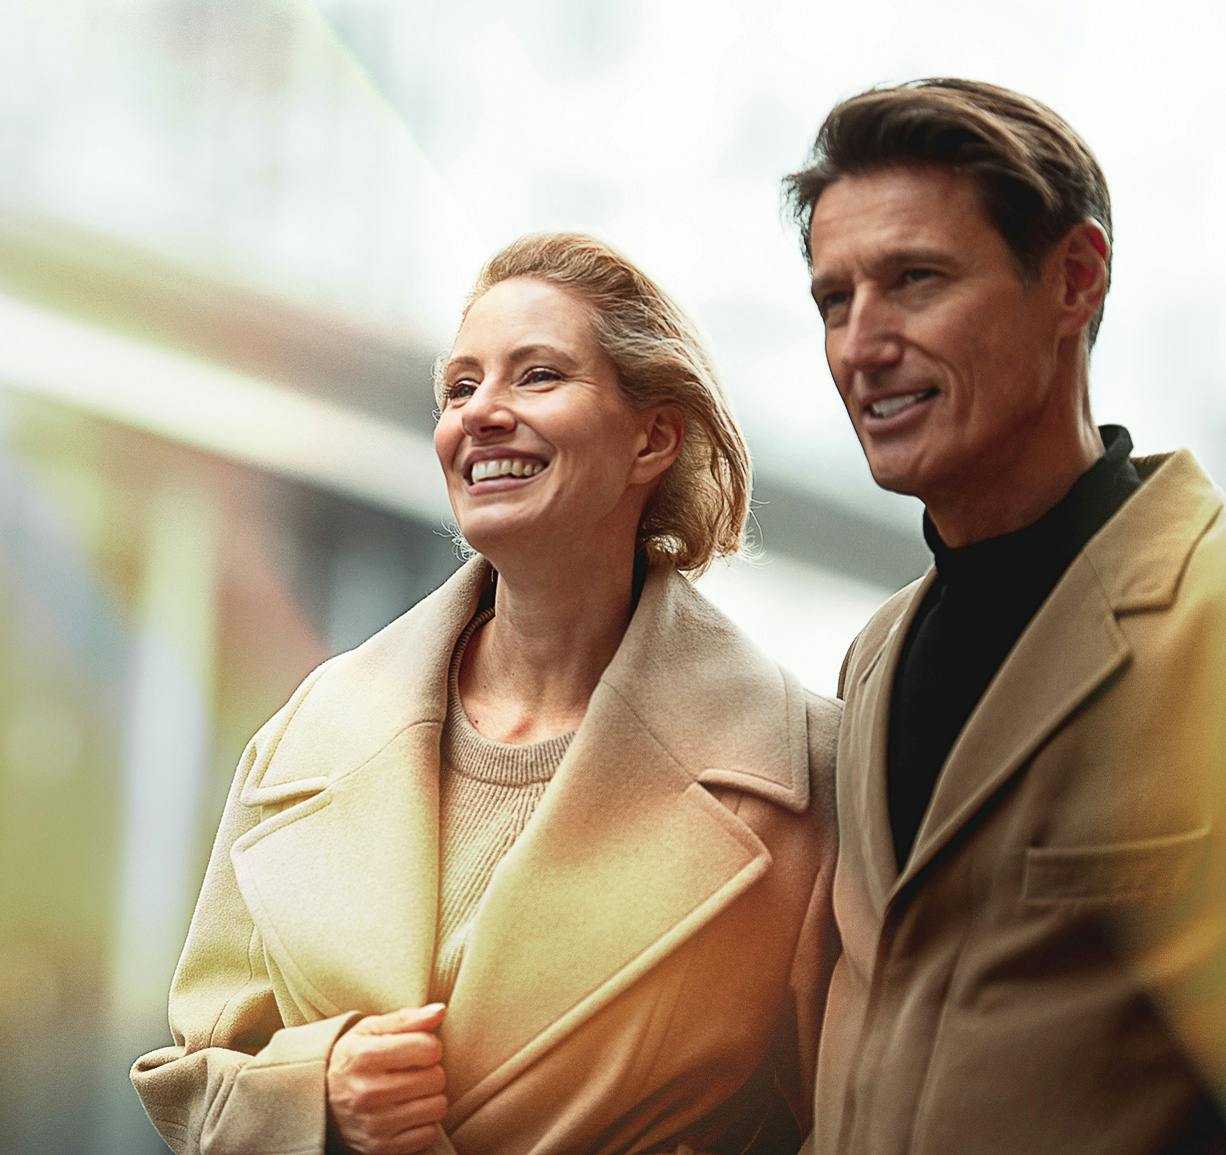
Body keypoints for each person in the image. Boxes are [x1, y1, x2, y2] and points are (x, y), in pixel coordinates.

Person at [132, 232, 840, 1155]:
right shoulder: (311, 732)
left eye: (537, 376)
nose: (482, 414)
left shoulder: (804, 774)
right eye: (460, 389)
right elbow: (193, 1076)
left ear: (654, 436)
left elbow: (853, 1115)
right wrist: (320, 1093)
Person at [783, 79, 1226, 1153]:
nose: (860, 343)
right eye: (832, 300)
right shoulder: (873, 657)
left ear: (1073, 278)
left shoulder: (1209, 619)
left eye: (914, 281)